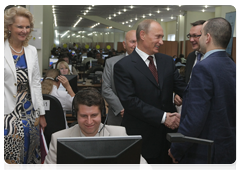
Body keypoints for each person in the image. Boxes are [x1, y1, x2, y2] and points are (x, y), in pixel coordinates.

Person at [114, 19, 187, 170]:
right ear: (142, 35)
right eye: (158, 36)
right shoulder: (123, 66)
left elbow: (183, 89)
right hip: (142, 138)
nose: (161, 41)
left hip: (168, 139)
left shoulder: (167, 61)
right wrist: (163, 117)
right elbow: (130, 102)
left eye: (162, 37)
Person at [169, 17, 238, 170]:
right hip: (227, 151)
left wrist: (176, 149)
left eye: (200, 35)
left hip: (203, 153)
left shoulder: (203, 68)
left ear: (207, 38)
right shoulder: (233, 67)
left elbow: (195, 119)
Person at [41, 87, 153, 170]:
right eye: (84, 116)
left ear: (102, 114)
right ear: (76, 115)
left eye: (94, 115)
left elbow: (144, 167)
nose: (89, 122)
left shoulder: (119, 134)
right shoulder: (59, 138)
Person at [4, 6, 47, 169]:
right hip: (7, 114)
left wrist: (41, 113)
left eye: (27, 27)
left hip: (30, 113)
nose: (24, 30)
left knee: (30, 154)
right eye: (20, 26)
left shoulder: (31, 51)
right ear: (9, 27)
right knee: (10, 156)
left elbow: (36, 83)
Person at [102, 30, 137, 125]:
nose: (136, 45)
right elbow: (106, 89)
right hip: (117, 116)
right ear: (124, 44)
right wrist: (121, 109)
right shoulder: (111, 62)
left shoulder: (149, 64)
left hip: (142, 117)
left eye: (139, 42)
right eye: (132, 42)